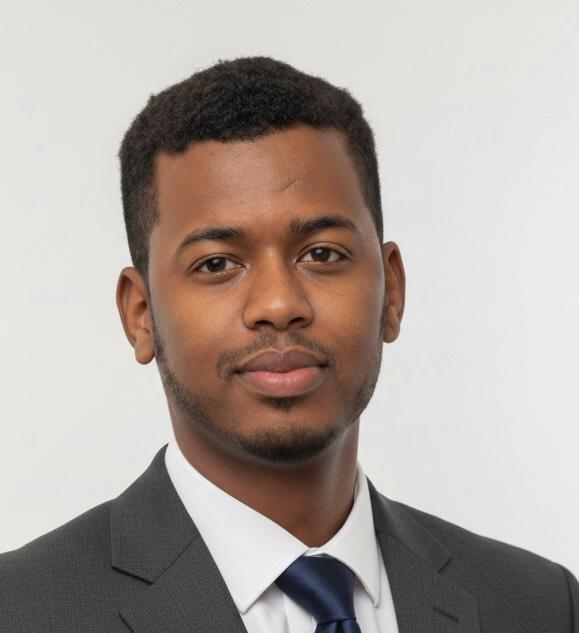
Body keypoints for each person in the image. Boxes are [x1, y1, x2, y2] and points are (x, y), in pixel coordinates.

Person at [0, 55, 577, 632]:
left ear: (392, 291)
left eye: (321, 254)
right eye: (217, 263)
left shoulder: (542, 606)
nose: (278, 304)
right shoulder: (21, 611)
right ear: (141, 314)